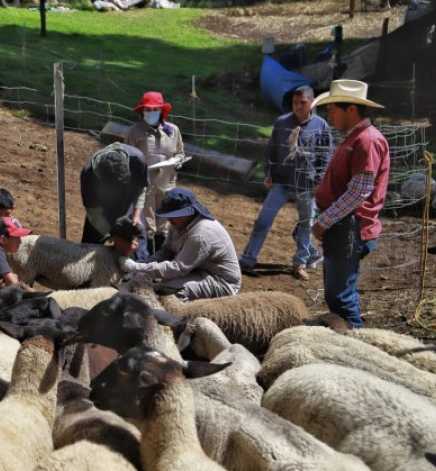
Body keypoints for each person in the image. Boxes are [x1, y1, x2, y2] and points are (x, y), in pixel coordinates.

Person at [311, 79, 390, 329]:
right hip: (343, 227)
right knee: (337, 295)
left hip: (350, 229)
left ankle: (358, 345)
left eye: (333, 109)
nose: (329, 115)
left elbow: (359, 191)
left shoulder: (366, 141)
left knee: (341, 298)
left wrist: (323, 221)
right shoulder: (353, 138)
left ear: (351, 110)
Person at [240, 85, 334, 281]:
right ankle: (248, 259)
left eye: (303, 103)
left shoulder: (321, 125)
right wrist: (269, 172)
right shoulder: (282, 123)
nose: (298, 107)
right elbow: (271, 150)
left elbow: (326, 156)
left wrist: (318, 180)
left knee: (305, 225)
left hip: (306, 184)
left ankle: (299, 263)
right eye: (294, 103)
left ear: (311, 103)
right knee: (263, 220)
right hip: (282, 181)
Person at [119, 187, 241, 301]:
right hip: (196, 270)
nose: (169, 220)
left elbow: (177, 268)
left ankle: (185, 318)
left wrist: (136, 267)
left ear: (188, 212)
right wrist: (142, 266)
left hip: (220, 281)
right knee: (159, 284)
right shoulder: (178, 224)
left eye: (173, 215)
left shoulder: (200, 235)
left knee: (168, 291)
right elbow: (166, 252)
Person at [126, 91, 186, 254]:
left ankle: (161, 258)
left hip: (167, 183)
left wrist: (178, 162)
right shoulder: (134, 131)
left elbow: (180, 153)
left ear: (161, 111)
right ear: (142, 111)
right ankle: (146, 260)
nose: (151, 113)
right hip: (145, 184)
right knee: (147, 224)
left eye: (155, 109)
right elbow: (128, 156)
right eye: (147, 109)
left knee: (165, 223)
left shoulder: (173, 131)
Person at [80, 142, 150, 261]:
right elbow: (94, 213)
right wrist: (116, 238)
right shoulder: (88, 174)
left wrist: (137, 214)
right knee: (87, 252)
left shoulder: (137, 159)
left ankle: (136, 277)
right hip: (101, 211)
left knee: (139, 250)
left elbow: (141, 188)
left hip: (129, 206)